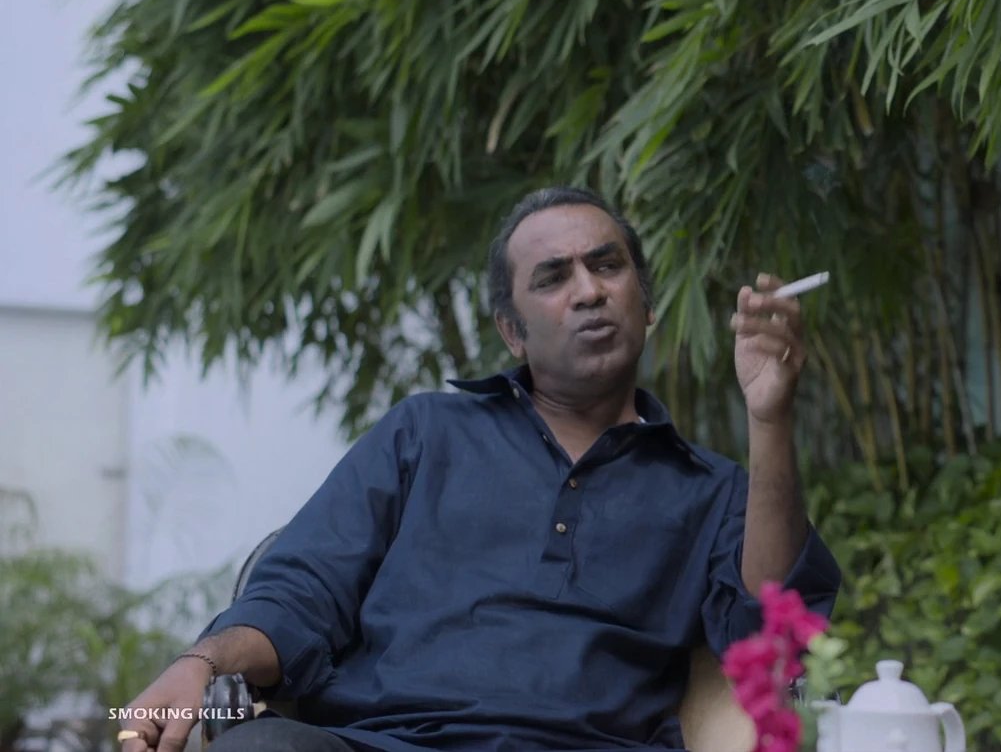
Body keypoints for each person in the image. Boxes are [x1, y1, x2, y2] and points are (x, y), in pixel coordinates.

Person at [114, 187, 843, 752]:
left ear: (646, 305)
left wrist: (769, 419)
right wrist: (201, 663)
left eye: (607, 265)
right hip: (388, 744)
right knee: (259, 746)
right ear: (511, 332)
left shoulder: (708, 490)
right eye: (553, 277)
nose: (588, 291)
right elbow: (301, 593)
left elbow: (776, 627)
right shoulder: (424, 434)